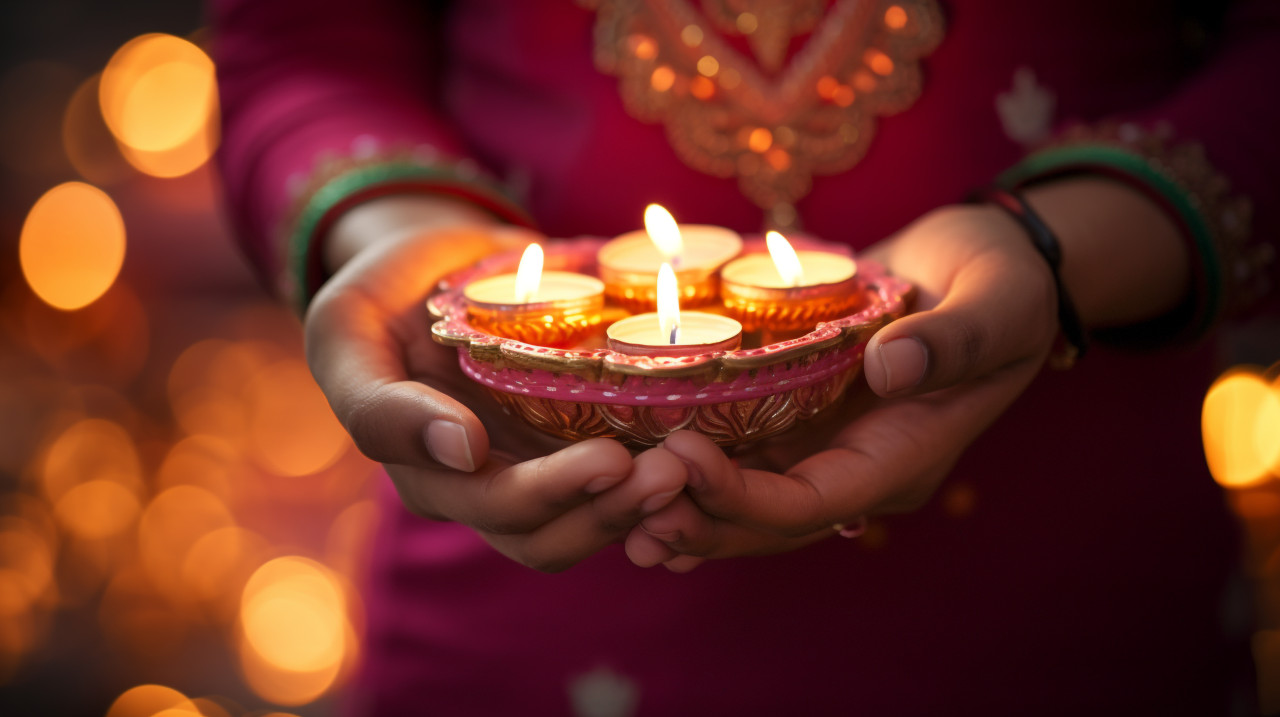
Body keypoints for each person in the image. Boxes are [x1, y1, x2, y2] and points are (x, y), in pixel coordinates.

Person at [213, 0, 1277, 714]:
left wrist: (1053, 255)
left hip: (1072, 612)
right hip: (512, 561)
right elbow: (303, 41)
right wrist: (399, 232)